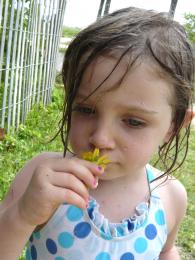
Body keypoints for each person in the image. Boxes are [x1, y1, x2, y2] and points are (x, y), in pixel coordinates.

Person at [0, 6, 194, 260]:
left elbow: (166, 251)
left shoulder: (171, 197)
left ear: (174, 125)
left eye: (133, 121)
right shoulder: (42, 179)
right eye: (86, 109)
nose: (100, 138)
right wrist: (22, 216)